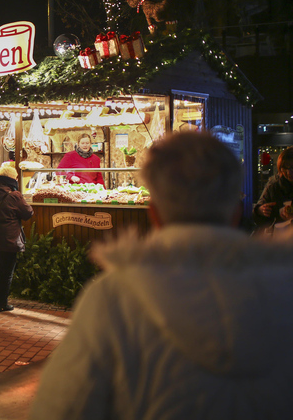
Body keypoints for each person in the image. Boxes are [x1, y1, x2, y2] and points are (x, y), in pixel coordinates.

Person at [31, 131, 293, 419]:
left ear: (154, 214)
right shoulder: (284, 290)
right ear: (234, 211)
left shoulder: (111, 298)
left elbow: (60, 409)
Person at [0, 162, 34, 312]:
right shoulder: (14, 195)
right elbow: (28, 213)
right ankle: (1, 304)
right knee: (6, 271)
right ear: (13, 179)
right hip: (8, 238)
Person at [253, 147, 293, 229]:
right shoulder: (274, 185)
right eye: (285, 167)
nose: (289, 172)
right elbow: (258, 214)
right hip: (280, 237)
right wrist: (260, 210)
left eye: (292, 167)